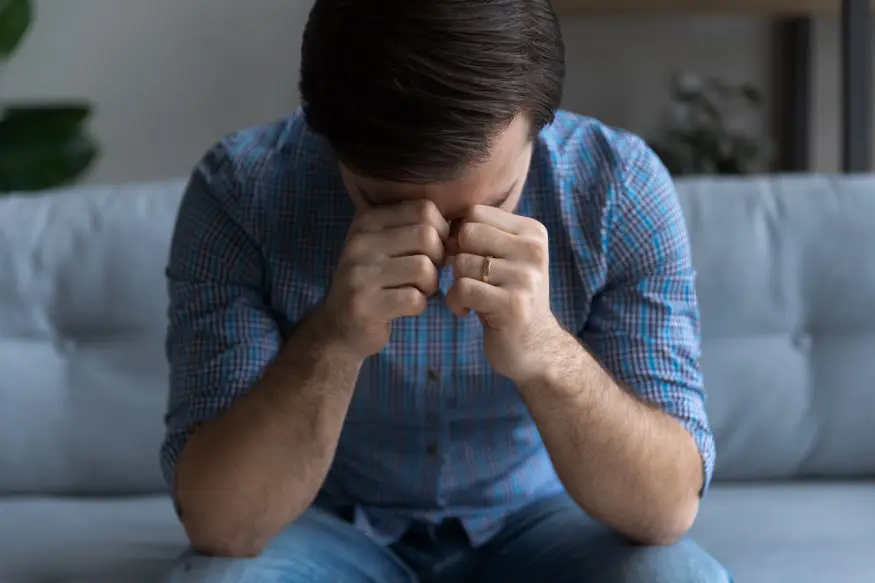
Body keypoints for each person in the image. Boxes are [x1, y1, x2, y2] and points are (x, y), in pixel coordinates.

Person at [161, 0, 731, 581]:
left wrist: (547, 353)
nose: (439, 247)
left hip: (544, 517)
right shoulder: (240, 192)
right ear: (323, 133)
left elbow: (667, 509)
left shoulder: (619, 190)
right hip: (323, 524)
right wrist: (334, 336)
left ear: (542, 124)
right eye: (386, 204)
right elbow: (220, 524)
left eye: (492, 203)